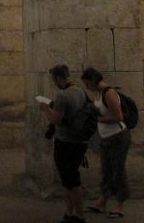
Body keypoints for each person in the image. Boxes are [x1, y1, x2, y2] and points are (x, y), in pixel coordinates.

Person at [40, 64, 91, 223]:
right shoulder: (81, 91)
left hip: (66, 142)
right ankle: (69, 213)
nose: (53, 82)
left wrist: (46, 108)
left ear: (58, 78)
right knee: (68, 179)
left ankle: (80, 215)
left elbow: (56, 119)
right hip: (80, 142)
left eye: (54, 79)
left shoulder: (62, 95)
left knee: (71, 180)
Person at [81, 67, 131, 219]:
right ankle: (102, 201)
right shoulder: (100, 94)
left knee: (118, 171)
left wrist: (98, 119)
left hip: (117, 137)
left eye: (86, 84)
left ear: (91, 81)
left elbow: (119, 116)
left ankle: (120, 205)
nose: (86, 87)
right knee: (106, 170)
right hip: (106, 138)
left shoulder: (109, 93)